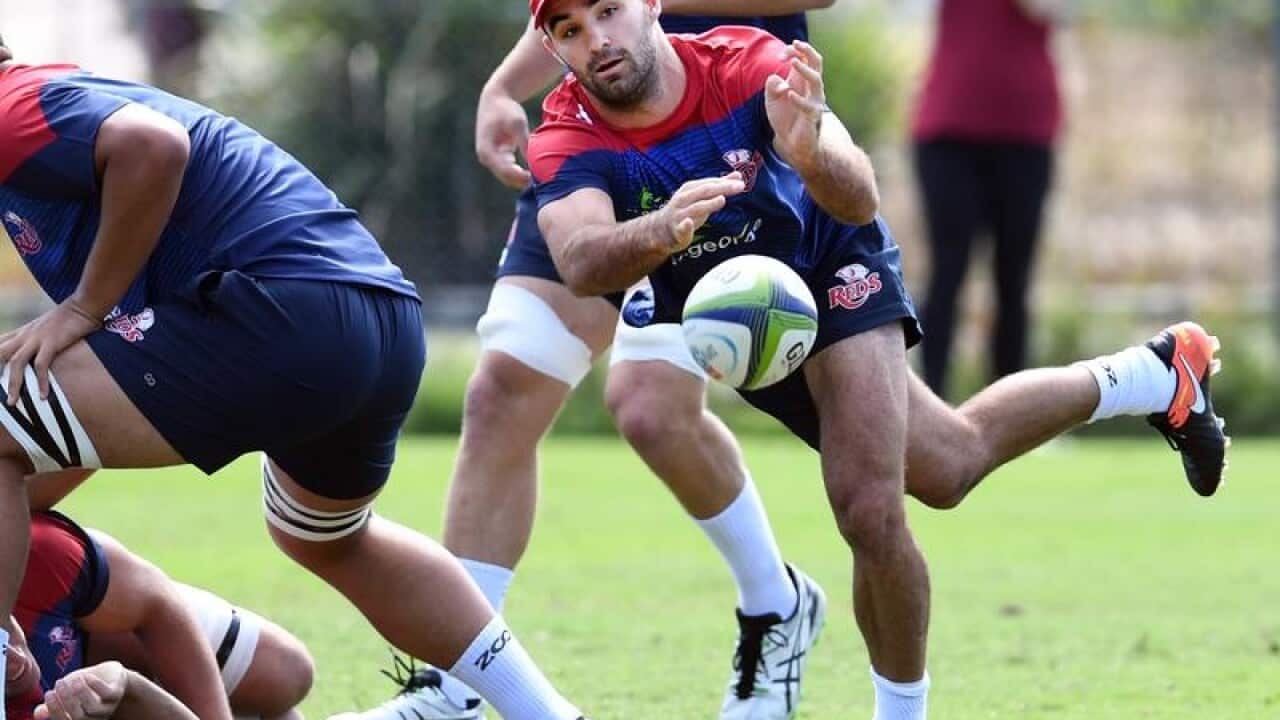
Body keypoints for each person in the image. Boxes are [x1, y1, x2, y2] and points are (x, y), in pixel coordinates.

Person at [519, 0, 1226, 718]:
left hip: (833, 259)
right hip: (751, 318)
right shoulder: (565, 133)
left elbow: (859, 198)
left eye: (608, 10)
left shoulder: (750, 64)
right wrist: (663, 228)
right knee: (948, 465)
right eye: (569, 29)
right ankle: (1156, 374)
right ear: (553, 47)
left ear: (650, 4)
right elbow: (580, 260)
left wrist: (812, 154)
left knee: (867, 508)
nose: (596, 39)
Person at [0, 34, 588, 720]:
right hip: (376, 321)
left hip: (279, 315)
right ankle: (545, 713)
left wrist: (83, 307)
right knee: (328, 536)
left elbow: (152, 145)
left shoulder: (10, 108)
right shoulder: (54, 101)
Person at [331, 4, 836, 720]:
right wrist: (505, 86)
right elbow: (570, 17)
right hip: (594, 131)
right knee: (502, 389)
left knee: (651, 407)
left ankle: (775, 603)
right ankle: (457, 690)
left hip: (721, 125)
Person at [6, 510, 312, 720]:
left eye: (5, 637)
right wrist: (127, 688)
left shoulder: (33, 552)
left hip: (83, 623)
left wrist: (122, 683)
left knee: (284, 671)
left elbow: (157, 603)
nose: (16, 659)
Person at [912, 0, 1067, 397]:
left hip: (1025, 132)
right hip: (949, 128)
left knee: (1014, 277)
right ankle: (928, 407)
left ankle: (1011, 410)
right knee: (947, 272)